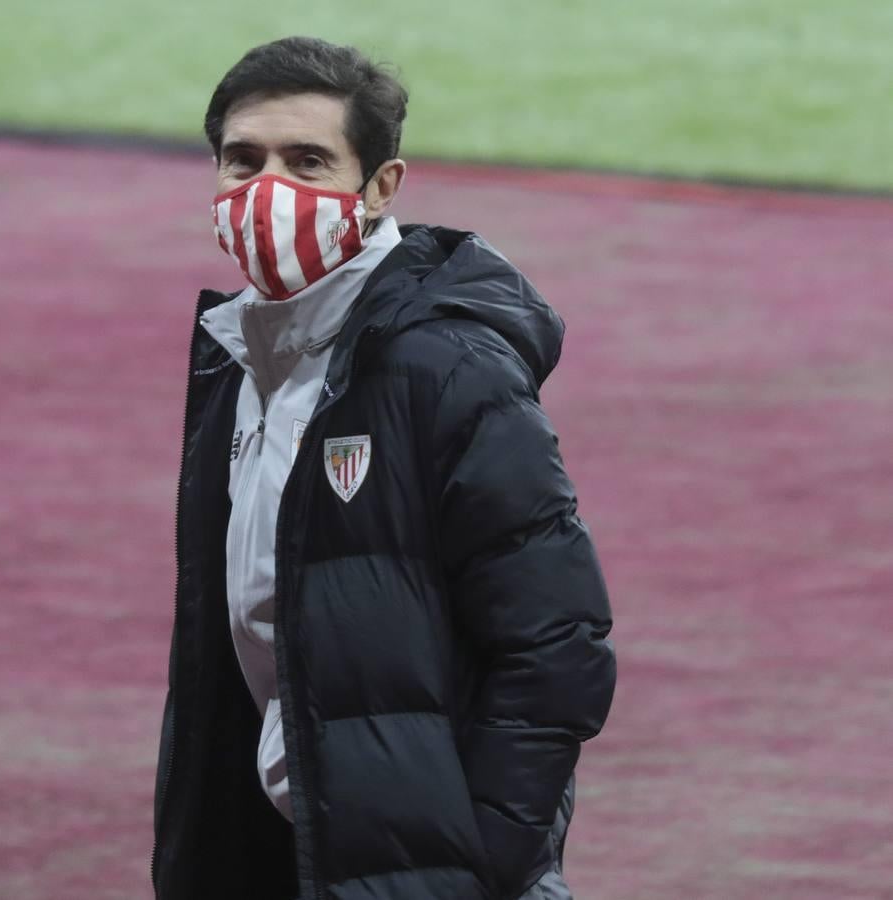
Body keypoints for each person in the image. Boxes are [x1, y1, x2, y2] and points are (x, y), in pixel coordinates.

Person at [151, 36, 617, 900]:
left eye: (308, 162)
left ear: (380, 188)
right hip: (285, 851)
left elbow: (558, 645)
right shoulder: (236, 359)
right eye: (242, 161)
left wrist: (479, 862)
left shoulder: (448, 367)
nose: (267, 192)